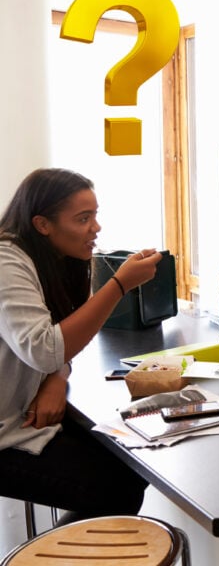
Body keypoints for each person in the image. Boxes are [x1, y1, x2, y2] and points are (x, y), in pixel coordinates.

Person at [0, 168, 162, 524]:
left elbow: (58, 343)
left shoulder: (56, 260)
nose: (96, 228)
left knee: (130, 464)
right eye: (83, 218)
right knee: (114, 487)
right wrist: (118, 285)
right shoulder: (6, 261)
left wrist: (58, 375)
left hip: (20, 416)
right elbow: (44, 348)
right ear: (43, 224)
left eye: (95, 215)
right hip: (5, 434)